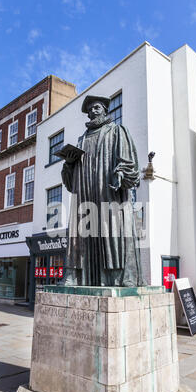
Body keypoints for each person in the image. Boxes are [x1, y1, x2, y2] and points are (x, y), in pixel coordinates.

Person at [61, 95, 146, 287]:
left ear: (105, 110)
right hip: (84, 193)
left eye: (96, 107)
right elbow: (68, 179)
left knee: (112, 230)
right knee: (79, 232)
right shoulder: (81, 140)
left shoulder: (116, 131)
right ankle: (74, 275)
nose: (92, 111)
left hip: (107, 192)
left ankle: (115, 276)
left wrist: (121, 174)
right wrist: (69, 163)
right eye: (89, 109)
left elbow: (128, 162)